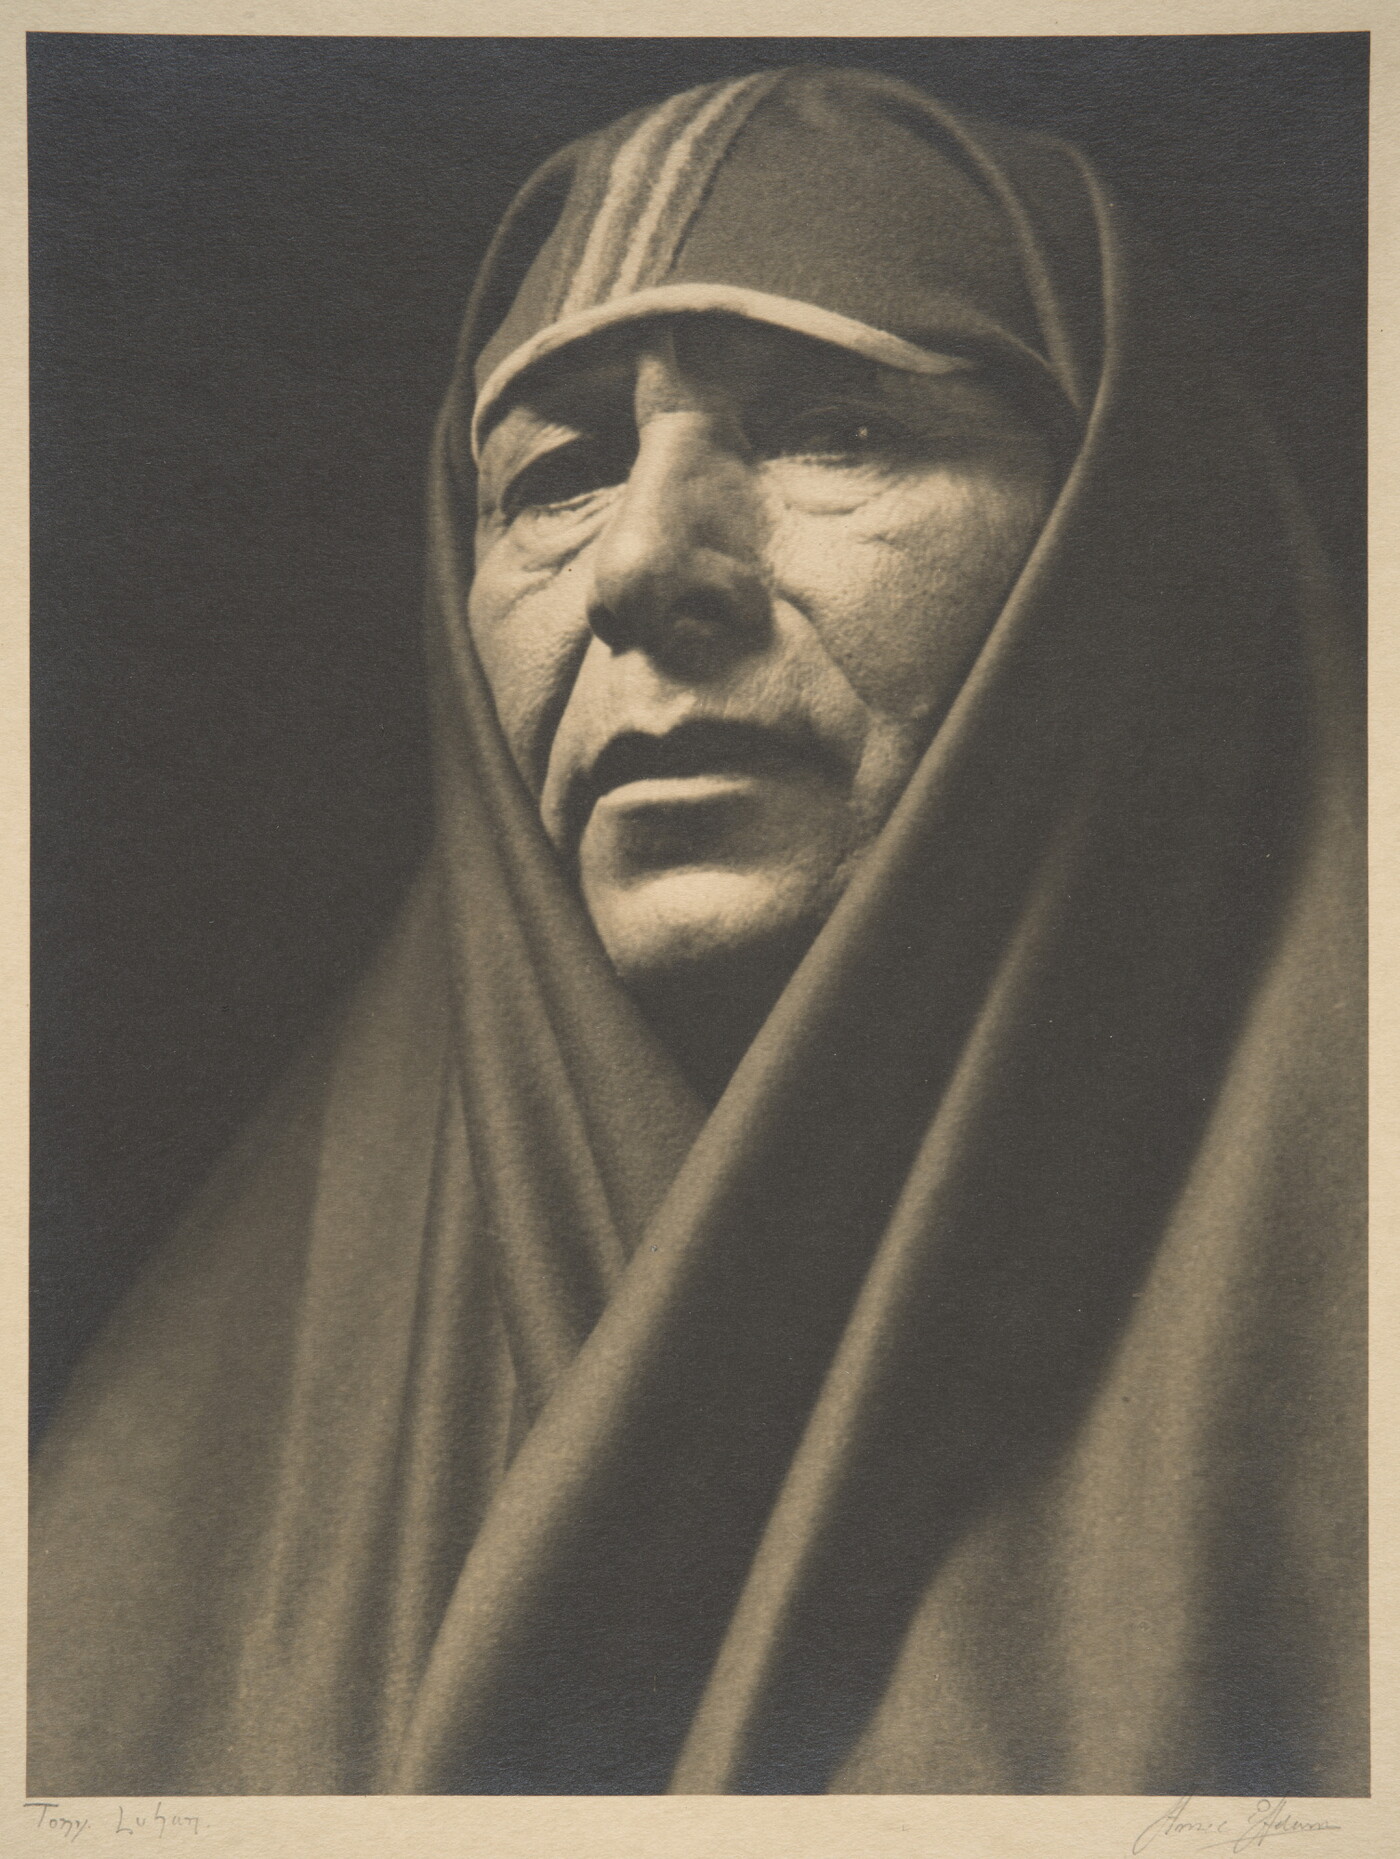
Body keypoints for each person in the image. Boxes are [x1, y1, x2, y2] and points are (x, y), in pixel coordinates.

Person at [29, 64, 1364, 1796]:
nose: (645, 566)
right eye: (560, 473)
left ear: (1121, 563)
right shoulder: (141, 1519)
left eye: (840, 431)